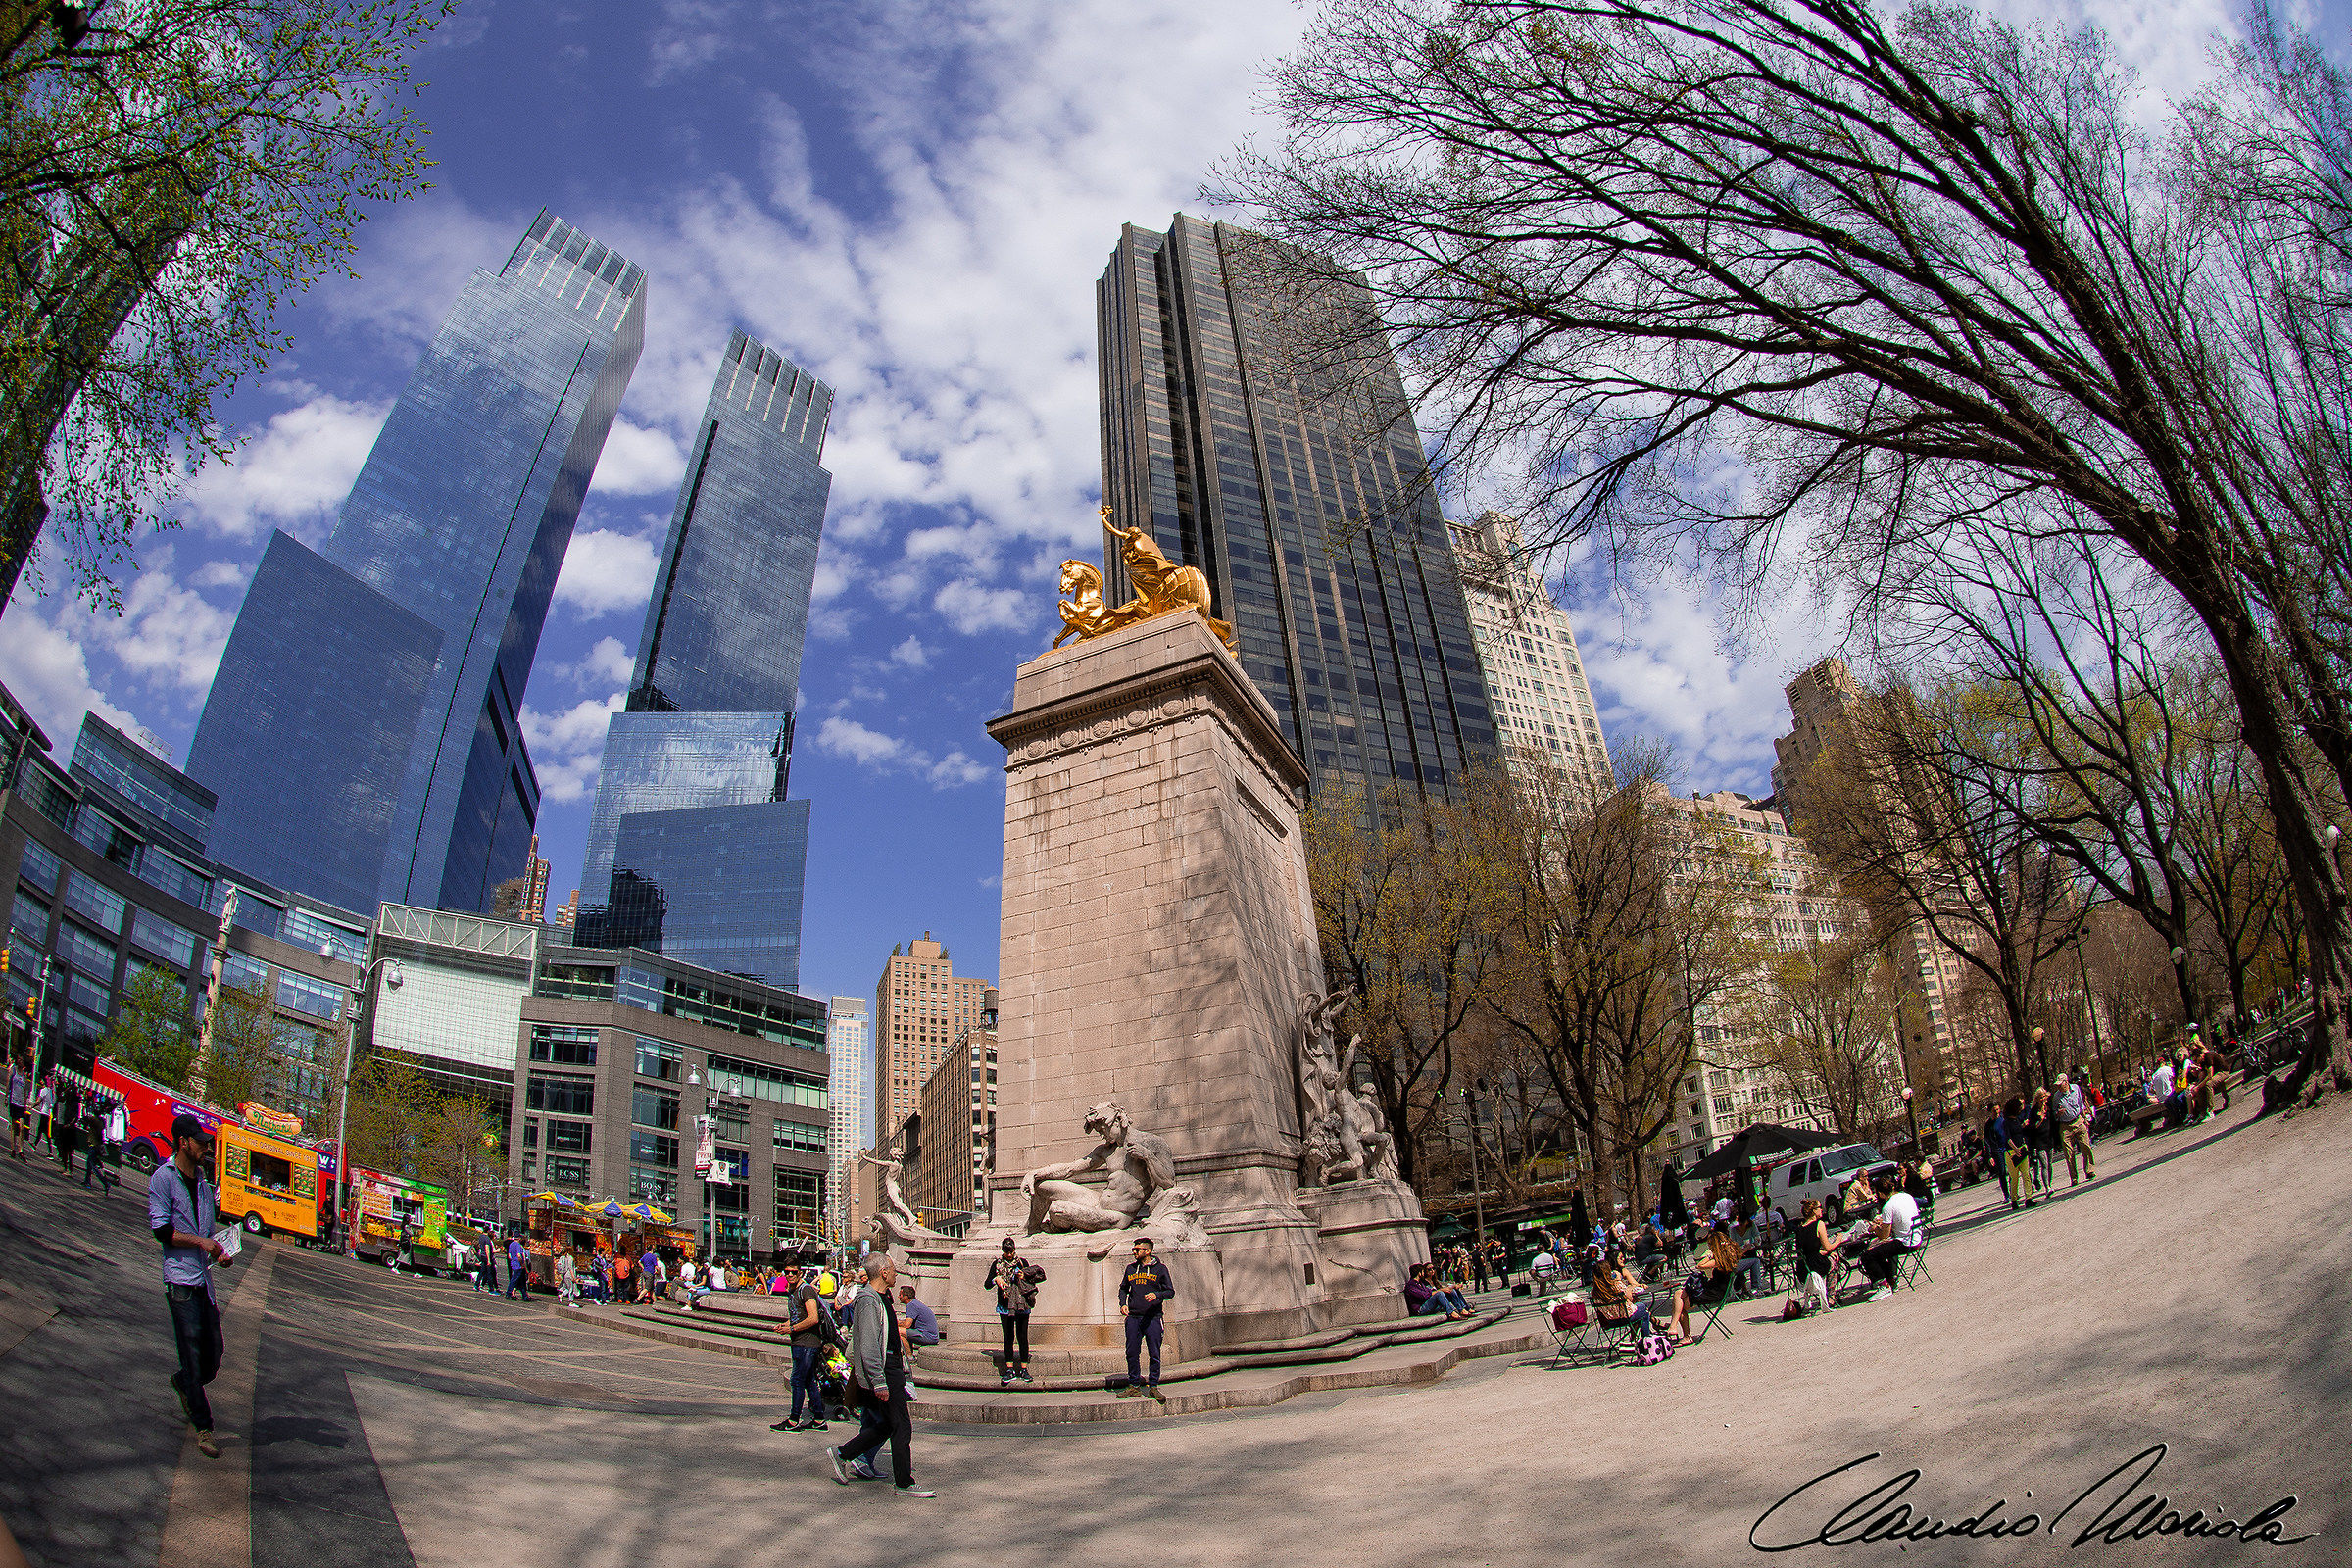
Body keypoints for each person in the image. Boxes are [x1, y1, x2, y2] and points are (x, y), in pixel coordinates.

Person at [148, 1114, 233, 1459]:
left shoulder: (202, 1183)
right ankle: (203, 1427)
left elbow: (207, 1233)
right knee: (193, 1356)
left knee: (213, 1355)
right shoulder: (163, 1179)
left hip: (204, 1280)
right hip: (180, 1280)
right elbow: (162, 1232)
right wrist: (201, 1243)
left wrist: (219, 1251)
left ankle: (185, 1382)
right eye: (201, 1142)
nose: (206, 1147)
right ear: (183, 1142)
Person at [826, 1255, 933, 1497]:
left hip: (892, 1367)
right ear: (884, 1272)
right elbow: (869, 1345)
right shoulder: (868, 1300)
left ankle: (843, 1453)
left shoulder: (882, 1297)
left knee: (887, 1424)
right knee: (901, 1425)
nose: (897, 1274)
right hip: (885, 1370)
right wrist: (878, 1381)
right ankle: (904, 1483)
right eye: (894, 1270)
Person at [771, 1264, 829, 1432]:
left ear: (800, 1273)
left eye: (793, 1272)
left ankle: (793, 1420)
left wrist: (791, 1329)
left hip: (807, 1344)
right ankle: (819, 1420)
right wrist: (786, 1325)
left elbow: (813, 1318)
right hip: (799, 1342)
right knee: (809, 1381)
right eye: (787, 1272)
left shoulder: (806, 1290)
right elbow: (798, 1317)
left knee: (797, 1380)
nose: (790, 1275)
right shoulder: (793, 1290)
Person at [1117, 1235, 1175, 1398]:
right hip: (1134, 1318)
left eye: (1138, 1249)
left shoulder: (1161, 1269)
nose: (1134, 1252)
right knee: (1131, 1352)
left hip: (1153, 1317)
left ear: (1148, 1251)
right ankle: (1134, 1385)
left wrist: (1157, 1295)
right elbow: (1123, 1289)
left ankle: (1154, 1386)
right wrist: (1123, 1304)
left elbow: (1170, 1291)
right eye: (1133, 1249)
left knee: (1154, 1353)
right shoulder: (1130, 1269)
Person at [1855, 1172, 1925, 1301]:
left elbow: (1884, 1236)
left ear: (1881, 1193)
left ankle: (1883, 1285)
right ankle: (1891, 1279)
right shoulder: (1906, 1196)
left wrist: (1875, 1227)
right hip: (1916, 1236)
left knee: (1867, 1255)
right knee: (1880, 1251)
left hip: (1905, 1241)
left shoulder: (1888, 1206)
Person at [987, 1235, 1045, 1386]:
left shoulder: (1022, 1263)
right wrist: (996, 1279)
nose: (1010, 1255)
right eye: (1007, 1252)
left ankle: (1024, 1369)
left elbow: (1033, 1279)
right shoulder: (997, 1265)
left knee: (1022, 1336)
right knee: (1008, 1337)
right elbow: (987, 1284)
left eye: (1011, 1251)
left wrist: (1023, 1275)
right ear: (1003, 1251)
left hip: (1021, 1305)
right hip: (1005, 1306)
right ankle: (1010, 1368)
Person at [1791, 1198, 1836, 1312]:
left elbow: (1808, 1249)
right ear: (1814, 1211)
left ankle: (1817, 1296)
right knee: (1834, 1261)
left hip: (1802, 1269)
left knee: (1828, 1257)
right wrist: (1839, 1240)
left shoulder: (1799, 1229)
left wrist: (1823, 1252)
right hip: (1815, 1265)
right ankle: (1831, 1297)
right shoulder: (1819, 1224)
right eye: (1820, 1208)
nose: (1822, 1210)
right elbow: (1828, 1247)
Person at [2052, 1074, 2096, 1186]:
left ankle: (2089, 1170)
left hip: (2078, 1120)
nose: (2059, 1087)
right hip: (2065, 1126)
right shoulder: (2056, 1097)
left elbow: (2081, 1104)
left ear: (2066, 1082)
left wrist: (2085, 1119)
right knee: (2069, 1153)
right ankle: (2074, 1177)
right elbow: (2054, 1114)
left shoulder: (2075, 1088)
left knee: (2086, 1146)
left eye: (2060, 1084)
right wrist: (2058, 1113)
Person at [1403, 1263, 1472, 1319]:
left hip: (1429, 1306)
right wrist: (1439, 1290)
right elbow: (1424, 1295)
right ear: (1419, 1273)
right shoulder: (1411, 1285)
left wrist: (1446, 1289)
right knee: (1439, 1293)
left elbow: (1429, 1291)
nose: (1424, 1273)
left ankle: (1461, 1310)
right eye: (1423, 1271)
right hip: (1420, 1310)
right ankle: (1452, 1313)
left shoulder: (1420, 1283)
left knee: (1450, 1291)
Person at [5, 1054, 27, 1161]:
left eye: (21, 1060)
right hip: (13, 1100)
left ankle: (21, 1150)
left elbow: (25, 1091)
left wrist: (26, 1103)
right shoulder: (12, 1070)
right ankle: (13, 1148)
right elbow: (8, 1083)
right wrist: (6, 1096)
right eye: (18, 1060)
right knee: (13, 1125)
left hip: (21, 1103)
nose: (20, 1061)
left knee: (22, 1127)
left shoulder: (24, 1075)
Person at [505, 1234, 529, 1300]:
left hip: (513, 1264)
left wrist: (513, 1260)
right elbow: (519, 1256)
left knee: (521, 1281)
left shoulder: (511, 1244)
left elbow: (509, 1256)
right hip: (518, 1266)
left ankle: (525, 1296)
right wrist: (522, 1264)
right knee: (515, 1280)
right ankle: (509, 1293)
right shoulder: (518, 1245)